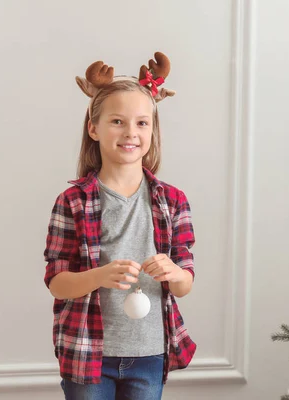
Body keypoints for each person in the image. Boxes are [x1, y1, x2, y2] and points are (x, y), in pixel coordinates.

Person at [43, 51, 196, 400]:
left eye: (142, 123)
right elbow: (57, 282)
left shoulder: (172, 201)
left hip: (150, 354)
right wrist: (99, 275)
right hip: (88, 354)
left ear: (152, 131)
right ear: (94, 128)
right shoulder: (72, 202)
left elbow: (185, 283)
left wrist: (172, 270)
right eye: (117, 122)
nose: (131, 132)